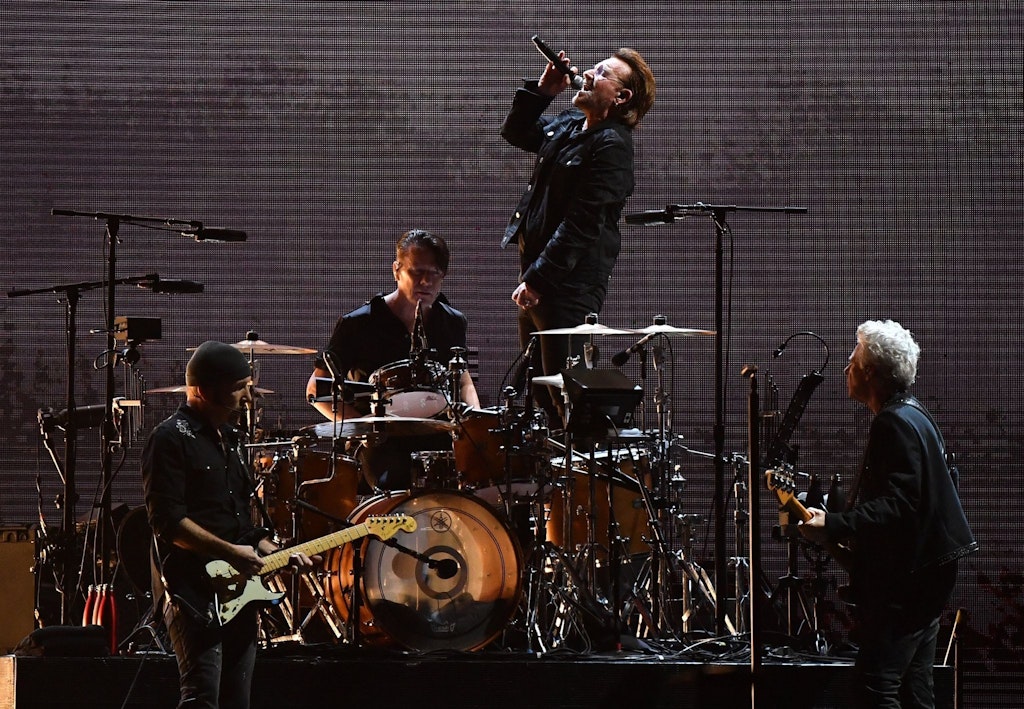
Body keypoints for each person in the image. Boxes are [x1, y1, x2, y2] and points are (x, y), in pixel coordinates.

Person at [799, 320, 977, 708]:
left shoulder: (893, 421)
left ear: (871, 372)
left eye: (852, 362)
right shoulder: (915, 414)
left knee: (875, 687)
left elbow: (901, 504)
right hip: (928, 573)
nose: (845, 369)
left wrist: (834, 524)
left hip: (910, 580)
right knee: (915, 689)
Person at [143, 340, 316, 709]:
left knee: (237, 699)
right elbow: (168, 522)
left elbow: (238, 520)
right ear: (205, 391)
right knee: (202, 696)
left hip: (238, 589)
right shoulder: (169, 438)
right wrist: (232, 553)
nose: (248, 397)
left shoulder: (232, 440)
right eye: (239, 388)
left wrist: (274, 550)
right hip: (192, 589)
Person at [500, 46, 655, 424]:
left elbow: (582, 224)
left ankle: (582, 459)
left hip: (566, 284)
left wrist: (538, 279)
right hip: (539, 276)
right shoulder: (572, 124)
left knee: (565, 397)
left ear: (621, 97)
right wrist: (543, 92)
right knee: (540, 392)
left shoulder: (612, 146)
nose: (587, 73)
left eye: (601, 73)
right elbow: (516, 132)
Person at [305, 228, 480, 489]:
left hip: (437, 433)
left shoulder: (452, 321)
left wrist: (473, 423)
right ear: (396, 271)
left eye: (434, 273)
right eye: (416, 272)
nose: (425, 281)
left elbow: (463, 379)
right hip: (380, 440)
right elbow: (315, 389)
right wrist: (361, 426)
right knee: (395, 484)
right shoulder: (359, 323)